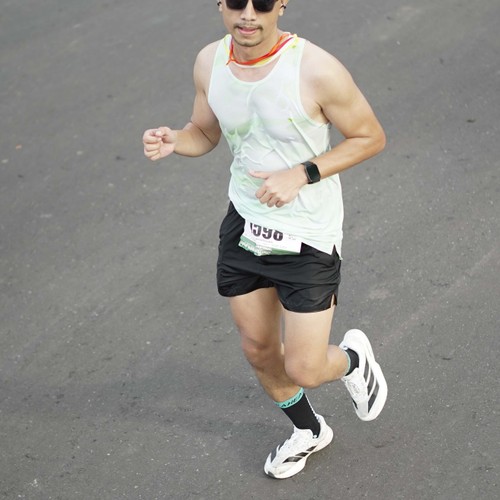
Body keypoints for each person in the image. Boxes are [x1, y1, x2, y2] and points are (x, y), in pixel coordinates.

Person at [143, 0, 387, 479]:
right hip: (246, 224)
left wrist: (302, 173)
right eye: (237, 2)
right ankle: (308, 430)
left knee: (306, 368)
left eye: (262, 3)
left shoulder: (316, 70)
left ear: (282, 5)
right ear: (221, 5)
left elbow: (370, 137)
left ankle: (353, 360)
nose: (248, 14)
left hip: (308, 235)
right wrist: (176, 139)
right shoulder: (209, 61)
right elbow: (203, 132)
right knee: (258, 349)